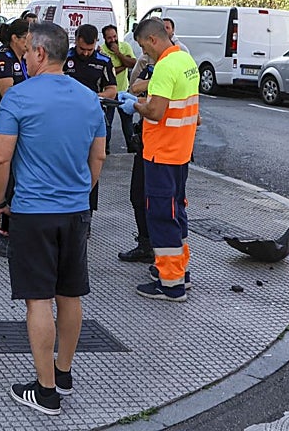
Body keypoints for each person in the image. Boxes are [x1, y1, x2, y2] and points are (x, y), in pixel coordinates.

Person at [0, 21, 107, 416]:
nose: (23, 59)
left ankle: (45, 390)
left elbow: (0, 158)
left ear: (40, 52)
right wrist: (79, 191)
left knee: (37, 299)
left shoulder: (19, 98)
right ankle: (65, 372)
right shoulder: (89, 98)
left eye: (26, 53)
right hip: (76, 211)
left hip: (33, 212)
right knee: (69, 294)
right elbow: (99, 157)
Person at [118, 17, 200, 302]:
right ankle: (180, 270)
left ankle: (171, 284)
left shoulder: (165, 67)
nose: (143, 53)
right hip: (180, 153)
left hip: (161, 153)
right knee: (177, 212)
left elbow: (155, 112)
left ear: (153, 40)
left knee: (162, 216)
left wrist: (134, 105)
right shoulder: (186, 61)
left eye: (143, 46)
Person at [0, 17, 31, 257]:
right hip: (4, 119)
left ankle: (11, 232)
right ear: (15, 38)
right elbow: (8, 93)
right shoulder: (4, 58)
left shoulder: (22, 59)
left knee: (16, 177)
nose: (29, 44)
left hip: (20, 122)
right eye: (26, 39)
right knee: (2, 176)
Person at [63, 23, 117, 217]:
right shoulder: (64, 58)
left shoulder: (103, 61)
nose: (85, 53)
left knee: (91, 162)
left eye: (89, 49)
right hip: (65, 120)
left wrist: (94, 97)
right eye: (81, 49)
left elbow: (112, 90)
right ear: (75, 41)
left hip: (91, 118)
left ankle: (86, 213)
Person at [101, 24, 137, 152]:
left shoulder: (125, 47)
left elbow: (133, 63)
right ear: (104, 38)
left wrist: (119, 54)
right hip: (110, 93)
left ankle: (132, 147)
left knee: (127, 123)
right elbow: (110, 72)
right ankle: (105, 149)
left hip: (123, 91)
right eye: (109, 38)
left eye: (114, 36)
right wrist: (123, 65)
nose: (113, 40)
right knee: (107, 123)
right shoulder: (102, 51)